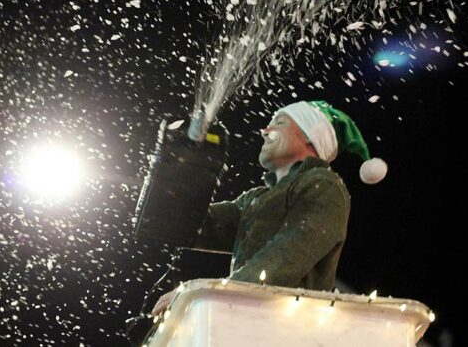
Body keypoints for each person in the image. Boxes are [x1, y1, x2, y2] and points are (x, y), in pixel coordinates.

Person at [151, 100, 387, 317]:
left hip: (287, 331)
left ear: (310, 136)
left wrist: (204, 293)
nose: (265, 130)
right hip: (249, 321)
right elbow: (184, 225)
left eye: (280, 123)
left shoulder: (323, 184)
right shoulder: (257, 199)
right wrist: (182, 163)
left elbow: (287, 256)